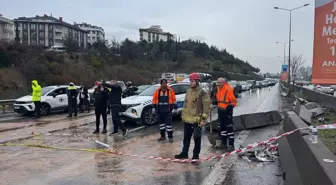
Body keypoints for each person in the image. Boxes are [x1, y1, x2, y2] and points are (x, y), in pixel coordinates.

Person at [174, 73, 211, 161]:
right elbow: (185, 104)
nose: (191, 83)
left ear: (197, 81)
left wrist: (203, 119)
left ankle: (195, 156)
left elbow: (206, 107)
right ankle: (184, 153)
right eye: (190, 81)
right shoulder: (188, 91)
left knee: (197, 139)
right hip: (187, 120)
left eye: (193, 81)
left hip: (197, 121)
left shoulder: (202, 93)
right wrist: (183, 114)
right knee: (186, 138)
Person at [213, 77, 237, 151]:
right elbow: (218, 99)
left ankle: (231, 145)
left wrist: (229, 107)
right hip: (220, 111)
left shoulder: (228, 90)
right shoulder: (218, 89)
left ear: (223, 83)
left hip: (227, 111)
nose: (217, 84)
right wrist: (214, 101)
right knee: (222, 128)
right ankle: (223, 143)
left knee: (229, 128)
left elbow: (234, 102)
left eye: (219, 82)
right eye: (217, 82)